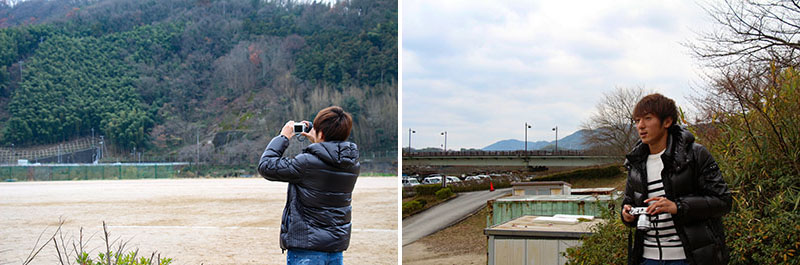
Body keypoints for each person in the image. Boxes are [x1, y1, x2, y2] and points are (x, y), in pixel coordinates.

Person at [621, 93, 731, 265]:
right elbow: (629, 201)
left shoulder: (694, 155)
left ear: (667, 122)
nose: (640, 126)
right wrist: (627, 214)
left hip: (688, 257)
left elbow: (723, 201)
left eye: (648, 118)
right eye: (637, 120)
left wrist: (677, 206)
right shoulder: (636, 162)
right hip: (647, 258)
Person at [258, 106, 359, 265]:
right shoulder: (352, 164)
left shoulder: (306, 163)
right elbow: (330, 157)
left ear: (321, 133)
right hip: (335, 248)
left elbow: (266, 166)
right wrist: (319, 139)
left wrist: (283, 137)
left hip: (306, 247)